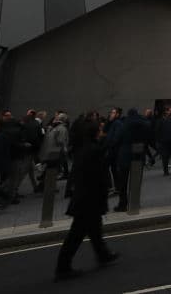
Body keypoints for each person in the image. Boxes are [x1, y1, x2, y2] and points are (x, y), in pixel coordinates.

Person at [54, 120, 119, 281]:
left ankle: (103, 254)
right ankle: (62, 267)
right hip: (89, 199)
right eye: (101, 130)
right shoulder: (93, 150)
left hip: (85, 197)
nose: (103, 132)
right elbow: (97, 175)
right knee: (76, 235)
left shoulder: (84, 149)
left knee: (95, 229)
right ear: (96, 133)